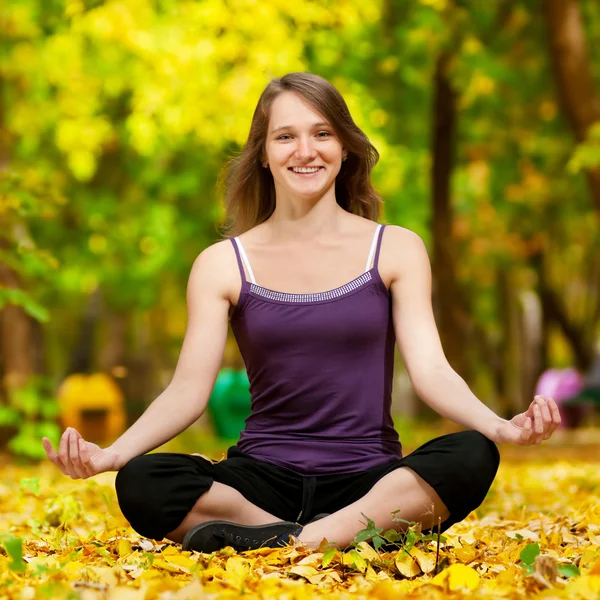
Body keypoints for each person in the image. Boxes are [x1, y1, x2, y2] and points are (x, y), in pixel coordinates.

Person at [42, 72, 561, 554]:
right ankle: (326, 537)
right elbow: (187, 391)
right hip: (260, 481)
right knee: (143, 481)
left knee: (471, 455)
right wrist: (114, 454)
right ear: (264, 154)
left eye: (322, 134)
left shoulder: (396, 249)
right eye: (285, 137)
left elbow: (431, 371)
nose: (305, 151)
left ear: (344, 149)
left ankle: (298, 537)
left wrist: (501, 429)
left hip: (369, 479)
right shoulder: (222, 264)